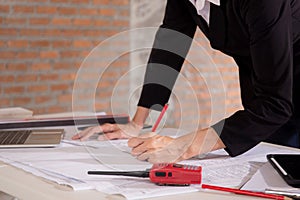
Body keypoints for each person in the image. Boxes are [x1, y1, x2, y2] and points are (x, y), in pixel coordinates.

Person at [72, 0, 300, 163]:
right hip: (262, 88)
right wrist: (136, 124)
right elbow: (170, 45)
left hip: (284, 87)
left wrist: (185, 145)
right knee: (268, 163)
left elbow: (274, 105)